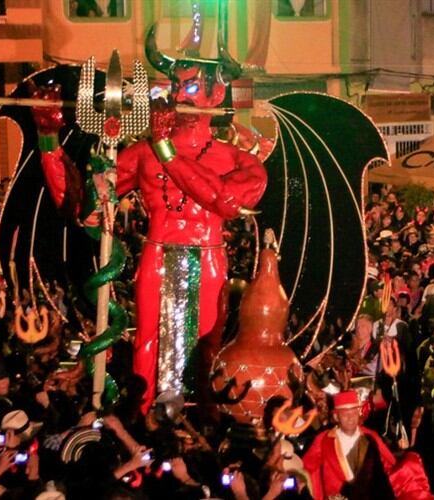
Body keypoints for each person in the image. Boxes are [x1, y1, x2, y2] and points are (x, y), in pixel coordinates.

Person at [32, 28, 267, 411]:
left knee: (208, 343)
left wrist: (166, 149)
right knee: (147, 341)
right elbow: (84, 210)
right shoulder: (143, 153)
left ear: (216, 95)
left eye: (191, 87)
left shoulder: (237, 158)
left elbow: (224, 201)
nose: (179, 96)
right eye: (175, 86)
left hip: (208, 258)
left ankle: (203, 420)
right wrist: (48, 141)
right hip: (157, 254)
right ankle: (141, 416)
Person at [302, 390, 395, 499]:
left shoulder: (370, 437)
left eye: (354, 413)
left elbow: (387, 468)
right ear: (336, 417)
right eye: (345, 414)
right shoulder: (323, 440)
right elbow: (306, 468)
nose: (351, 418)